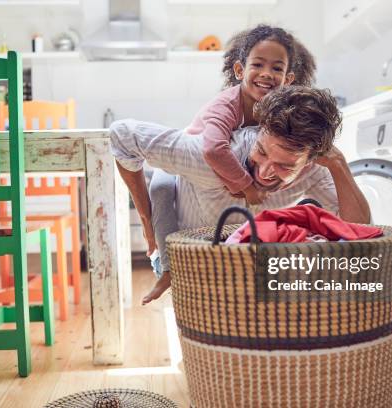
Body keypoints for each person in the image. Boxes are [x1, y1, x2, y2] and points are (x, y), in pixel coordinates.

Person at [110, 86, 371, 305]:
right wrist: (147, 224)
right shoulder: (209, 158)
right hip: (183, 259)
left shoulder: (315, 170)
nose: (266, 171)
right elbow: (122, 135)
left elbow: (358, 231)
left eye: (285, 166)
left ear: (310, 161)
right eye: (262, 151)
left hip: (237, 265)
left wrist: (338, 164)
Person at [146, 25, 317, 283]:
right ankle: (165, 263)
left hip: (225, 192)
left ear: (288, 79)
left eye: (277, 69)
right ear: (240, 70)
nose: (267, 75)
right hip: (181, 161)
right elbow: (213, 148)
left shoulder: (276, 111)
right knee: (159, 188)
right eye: (258, 65)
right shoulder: (228, 104)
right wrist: (247, 186)